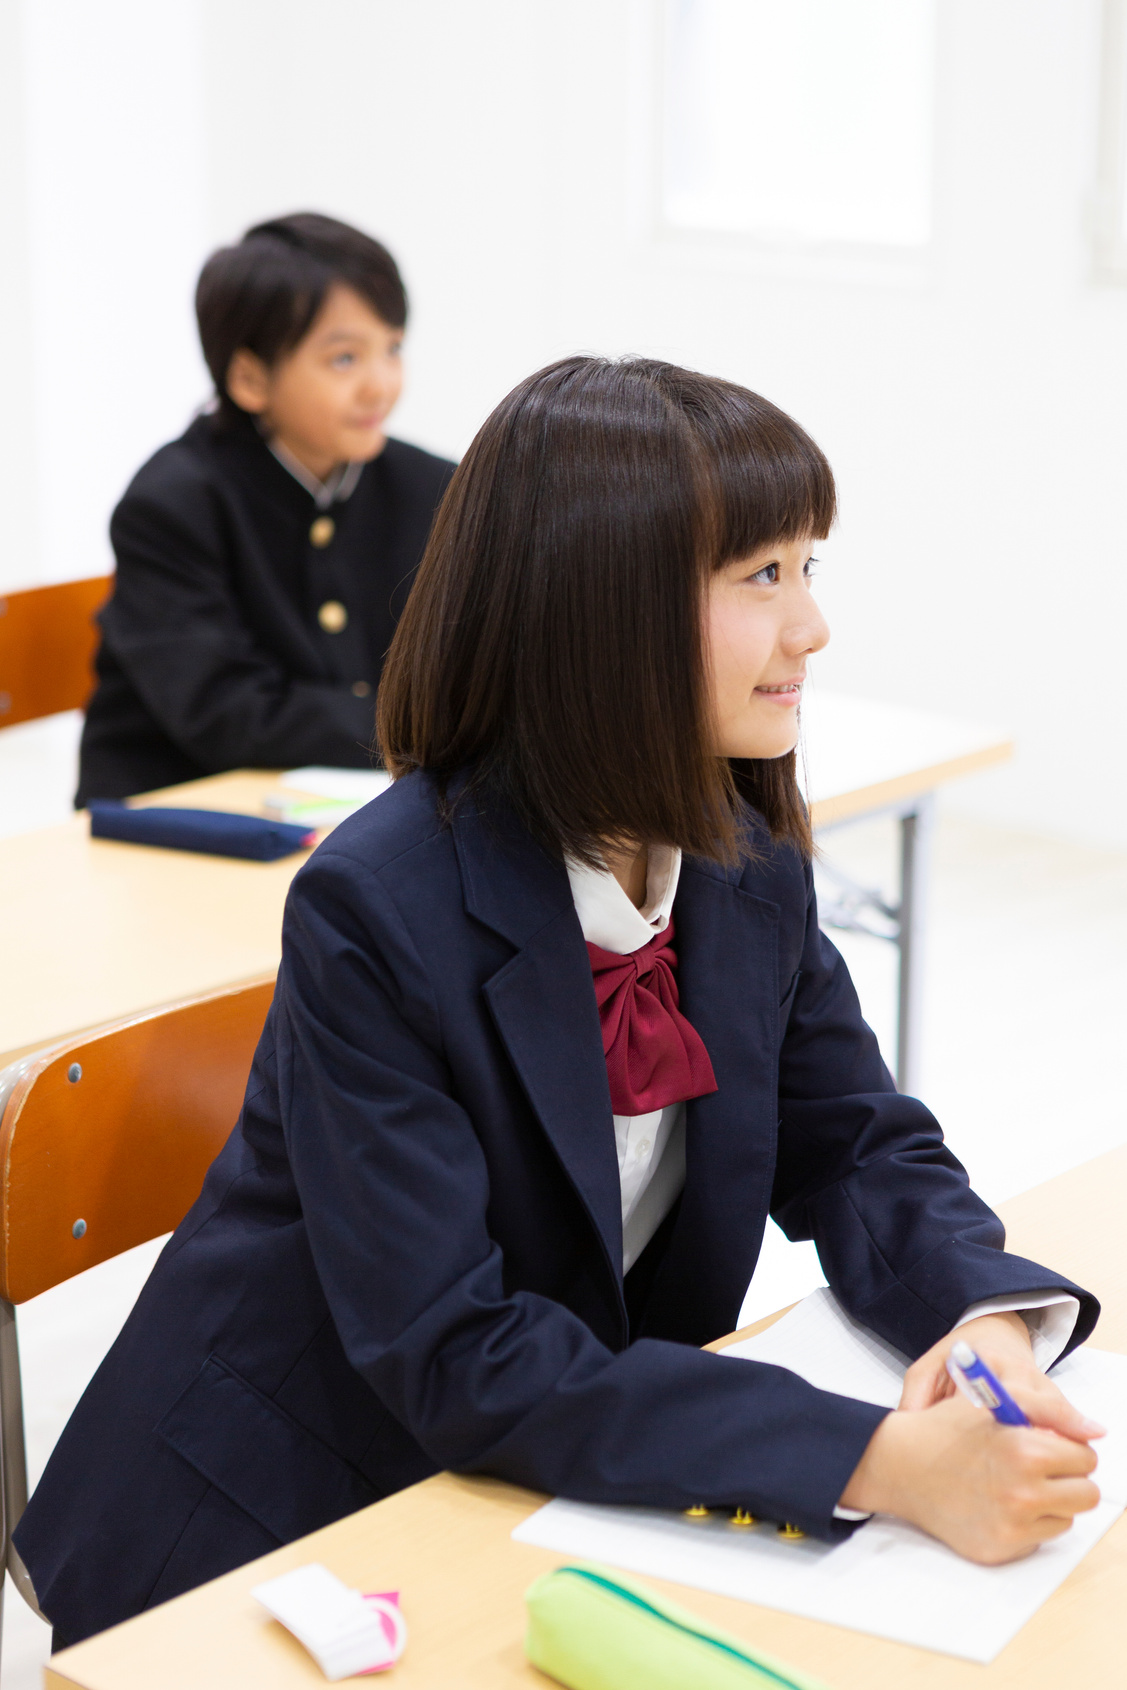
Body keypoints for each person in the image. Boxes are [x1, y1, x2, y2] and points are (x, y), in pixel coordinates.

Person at [21, 357, 1102, 1646]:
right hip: (280, 1529)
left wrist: (981, 1318)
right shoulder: (377, 905)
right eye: (762, 576)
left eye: (809, 568)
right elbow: (456, 1349)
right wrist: (878, 1460)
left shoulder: (738, 860)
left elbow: (856, 1143)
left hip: (522, 1491)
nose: (809, 626)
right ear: (607, 615)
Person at [75, 212, 455, 806]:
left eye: (393, 348)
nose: (381, 384)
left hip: (340, 813)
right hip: (174, 818)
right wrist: (430, 726)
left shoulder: (434, 487)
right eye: (345, 359)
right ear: (250, 377)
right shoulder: (172, 503)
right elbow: (228, 715)